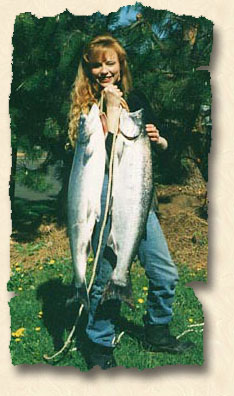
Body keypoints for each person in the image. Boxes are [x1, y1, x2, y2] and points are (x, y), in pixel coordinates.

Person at [68, 34, 194, 370]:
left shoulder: (137, 98)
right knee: (106, 273)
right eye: (97, 64)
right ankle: (98, 341)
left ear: (121, 65)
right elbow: (100, 154)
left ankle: (157, 330)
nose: (104, 70)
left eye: (110, 63)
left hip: (138, 200)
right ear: (89, 69)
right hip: (106, 199)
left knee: (165, 272)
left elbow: (153, 151)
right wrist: (109, 105)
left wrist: (160, 140)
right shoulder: (86, 105)